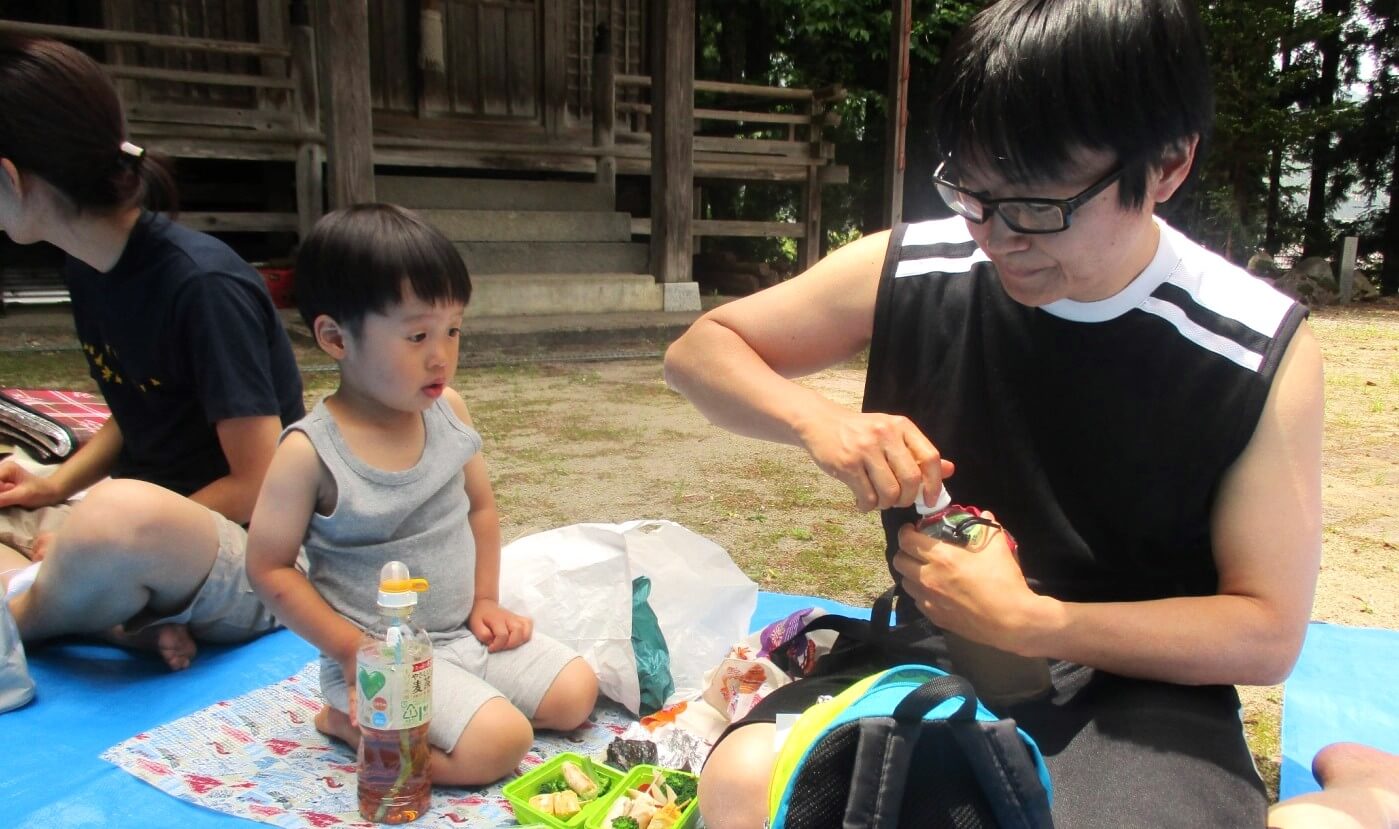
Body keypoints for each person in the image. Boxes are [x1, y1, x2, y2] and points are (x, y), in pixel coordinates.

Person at [661, 0, 1399, 826]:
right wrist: (818, 421)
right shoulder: (919, 264)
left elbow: (1263, 634)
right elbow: (699, 353)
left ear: (1166, 165)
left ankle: (1360, 795)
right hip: (940, 651)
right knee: (748, 788)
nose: (997, 236)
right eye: (974, 192)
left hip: (1139, 687)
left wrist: (1032, 621)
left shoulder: (1249, 347)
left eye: (1038, 206)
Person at [245, 204, 599, 785]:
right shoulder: (310, 453)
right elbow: (268, 568)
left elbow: (479, 508)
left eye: (452, 330)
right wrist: (352, 650)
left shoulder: (448, 411)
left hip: (462, 636)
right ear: (336, 337)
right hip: (380, 661)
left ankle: (455, 704)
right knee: (501, 743)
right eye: (417, 335)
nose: (441, 355)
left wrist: (485, 601)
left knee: (576, 693)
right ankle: (350, 724)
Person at [0, 35, 305, 670]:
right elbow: (135, 405)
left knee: (115, 519)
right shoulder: (89, 266)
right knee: (87, 520)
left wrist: (87, 538)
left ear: (9, 175)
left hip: (258, 555)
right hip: (144, 534)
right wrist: (50, 485)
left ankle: (24, 624)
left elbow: (260, 483)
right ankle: (105, 618)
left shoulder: (203, 286)